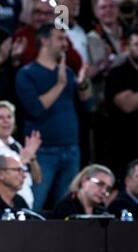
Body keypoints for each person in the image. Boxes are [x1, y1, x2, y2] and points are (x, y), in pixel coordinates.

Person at [15, 24, 93, 211]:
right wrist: (59, 85)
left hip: (71, 148)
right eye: (60, 38)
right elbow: (35, 108)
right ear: (44, 40)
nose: (65, 44)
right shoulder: (27, 73)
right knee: (34, 204)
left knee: (66, 208)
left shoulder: (67, 72)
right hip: (43, 151)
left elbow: (87, 106)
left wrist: (82, 85)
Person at [0, 100, 41, 209]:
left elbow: (37, 179)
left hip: (24, 204)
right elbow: (3, 167)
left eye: (9, 117)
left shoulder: (16, 145)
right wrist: (23, 159)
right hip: (3, 205)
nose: (6, 121)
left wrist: (32, 158)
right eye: (0, 118)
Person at [104, 27, 138, 180]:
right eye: (137, 44)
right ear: (127, 47)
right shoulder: (117, 74)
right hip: (124, 147)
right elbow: (128, 105)